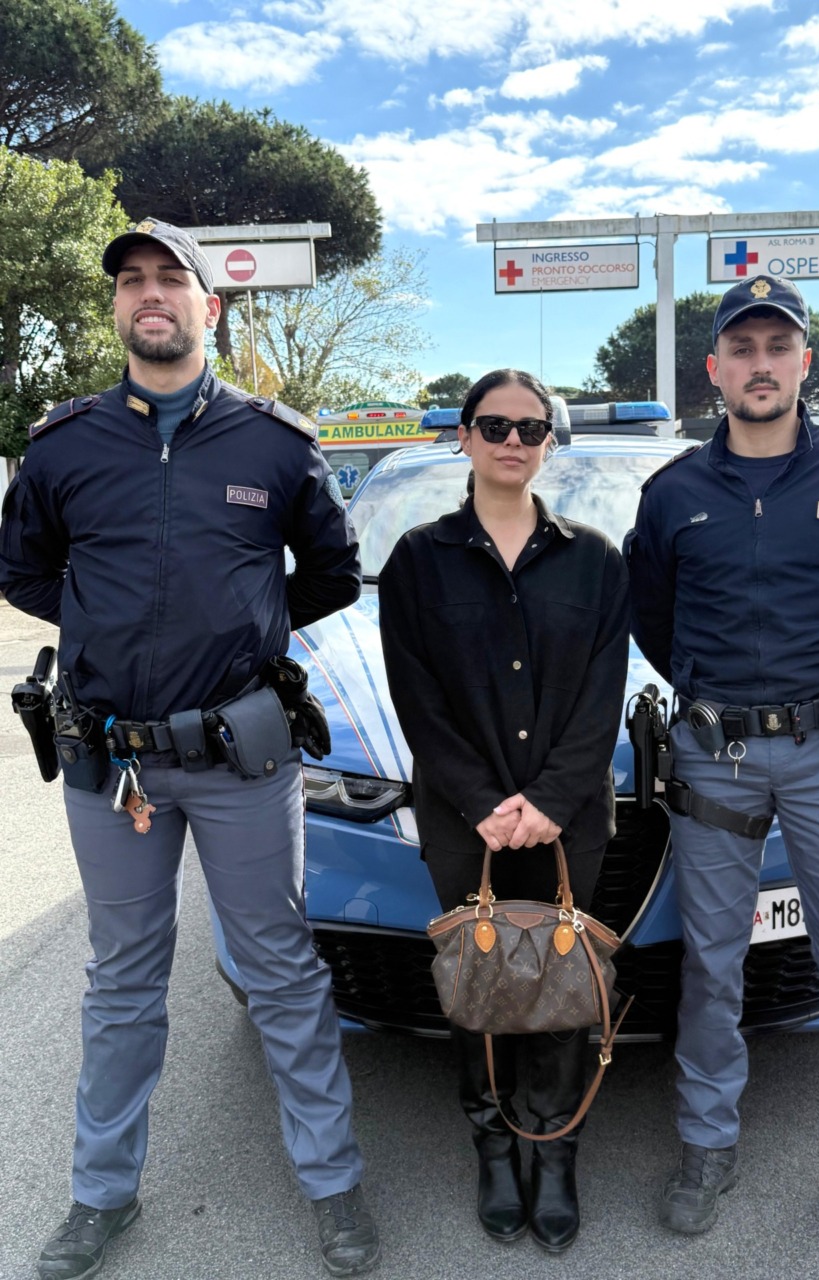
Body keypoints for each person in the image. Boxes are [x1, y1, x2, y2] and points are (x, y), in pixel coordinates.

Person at [0, 219, 381, 1279]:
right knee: (121, 980)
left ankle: (335, 1183)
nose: (150, 293)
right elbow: (26, 574)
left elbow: (333, 574)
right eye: (131, 280)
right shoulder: (64, 444)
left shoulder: (276, 441)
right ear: (117, 307)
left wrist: (244, 629)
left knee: (281, 971)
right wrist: (108, 629)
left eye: (173, 278)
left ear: (213, 308)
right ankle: (99, 1195)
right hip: (109, 761)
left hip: (242, 760)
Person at [624, 275, 819, 1257]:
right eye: (741, 348)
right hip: (715, 760)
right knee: (712, 965)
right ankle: (708, 1143)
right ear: (715, 369)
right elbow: (656, 622)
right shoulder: (673, 492)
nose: (760, 364)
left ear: (804, 361)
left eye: (778, 346)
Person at [378, 369, 629, 1252]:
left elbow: (605, 694)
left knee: (564, 985)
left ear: (550, 442)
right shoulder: (418, 557)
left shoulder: (596, 559)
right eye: (495, 425)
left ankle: (554, 1146)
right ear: (464, 435)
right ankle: (493, 1143)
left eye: (532, 428)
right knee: (479, 981)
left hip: (570, 820)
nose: (513, 441)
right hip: (462, 816)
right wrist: (485, 801)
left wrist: (551, 800)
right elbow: (416, 698)